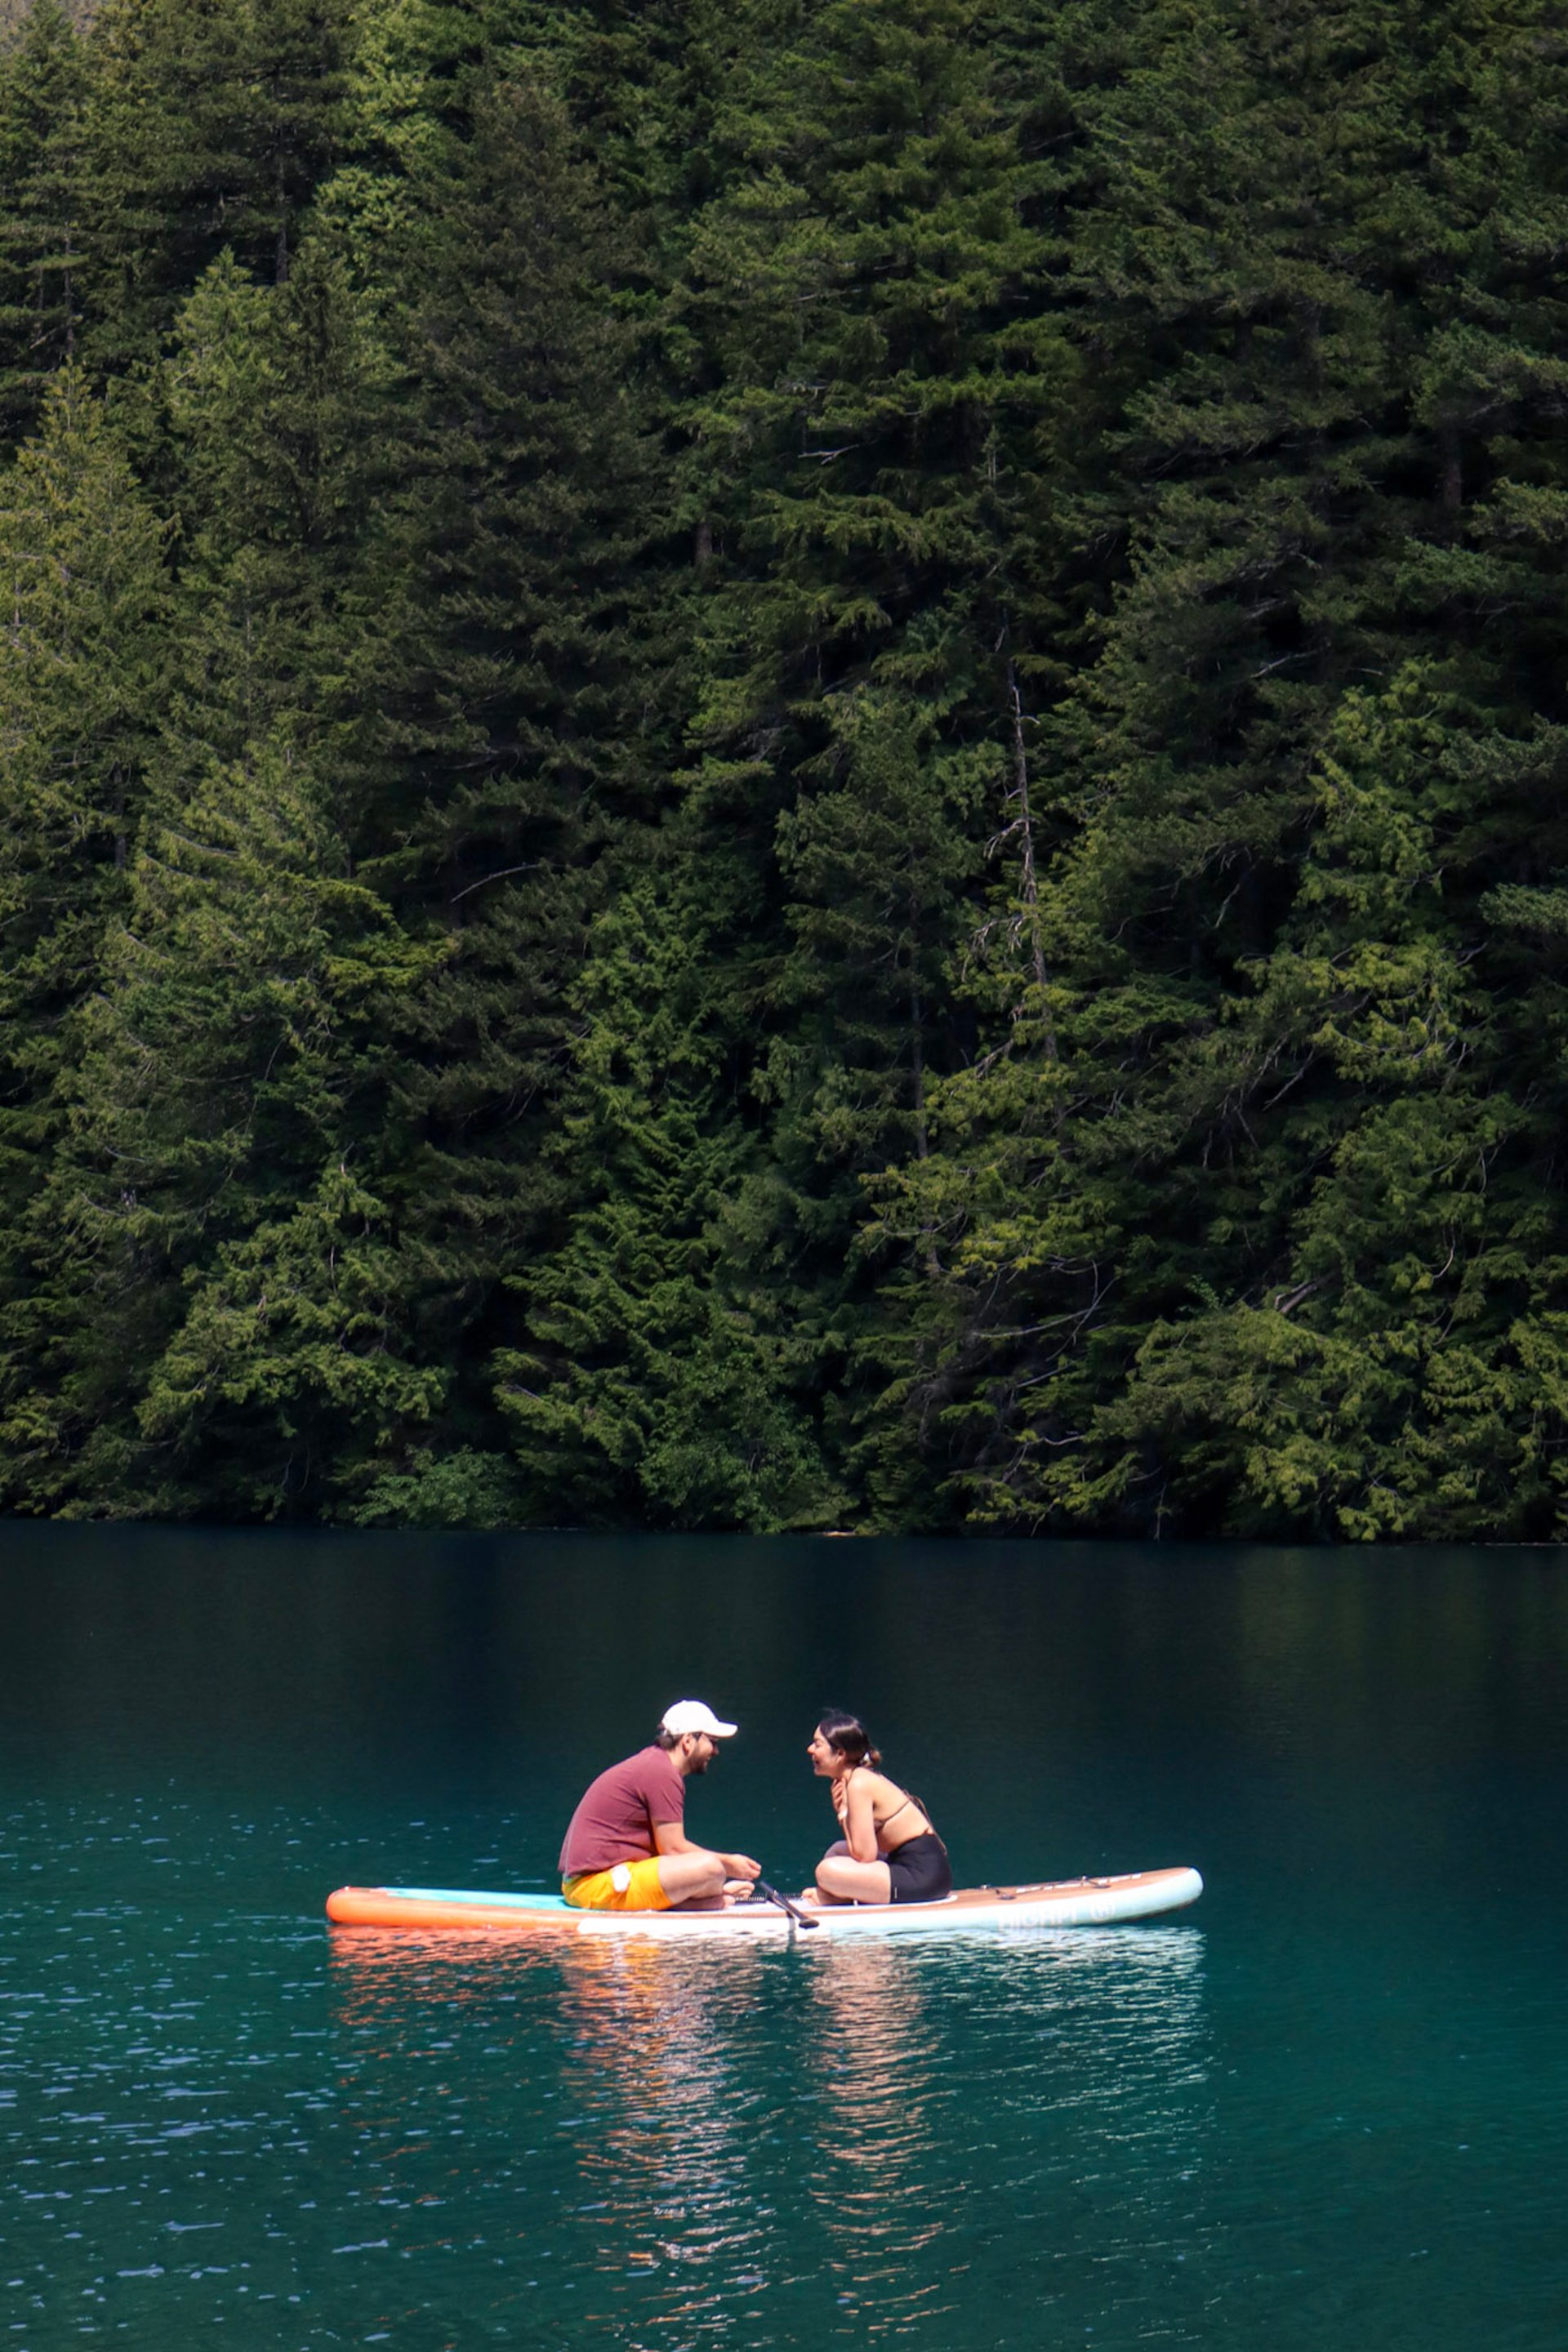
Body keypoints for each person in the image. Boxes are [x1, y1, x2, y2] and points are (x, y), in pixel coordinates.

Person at [559, 1701, 762, 1912]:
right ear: (688, 1741)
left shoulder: (655, 1764)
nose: (716, 1751)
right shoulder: (661, 1772)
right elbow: (673, 1849)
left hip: (595, 1882)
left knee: (710, 1871)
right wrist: (729, 1865)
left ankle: (709, 1900)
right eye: (712, 1742)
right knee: (711, 1868)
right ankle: (709, 1902)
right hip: (593, 1886)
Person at [805, 1710, 952, 1906]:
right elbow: (860, 1851)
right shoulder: (858, 1779)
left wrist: (842, 1813)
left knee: (826, 1871)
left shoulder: (859, 1783)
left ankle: (834, 1898)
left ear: (840, 1754)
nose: (810, 1749)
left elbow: (864, 1856)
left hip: (923, 1876)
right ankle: (836, 1898)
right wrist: (843, 1812)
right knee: (837, 1851)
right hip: (910, 1866)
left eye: (817, 1744)